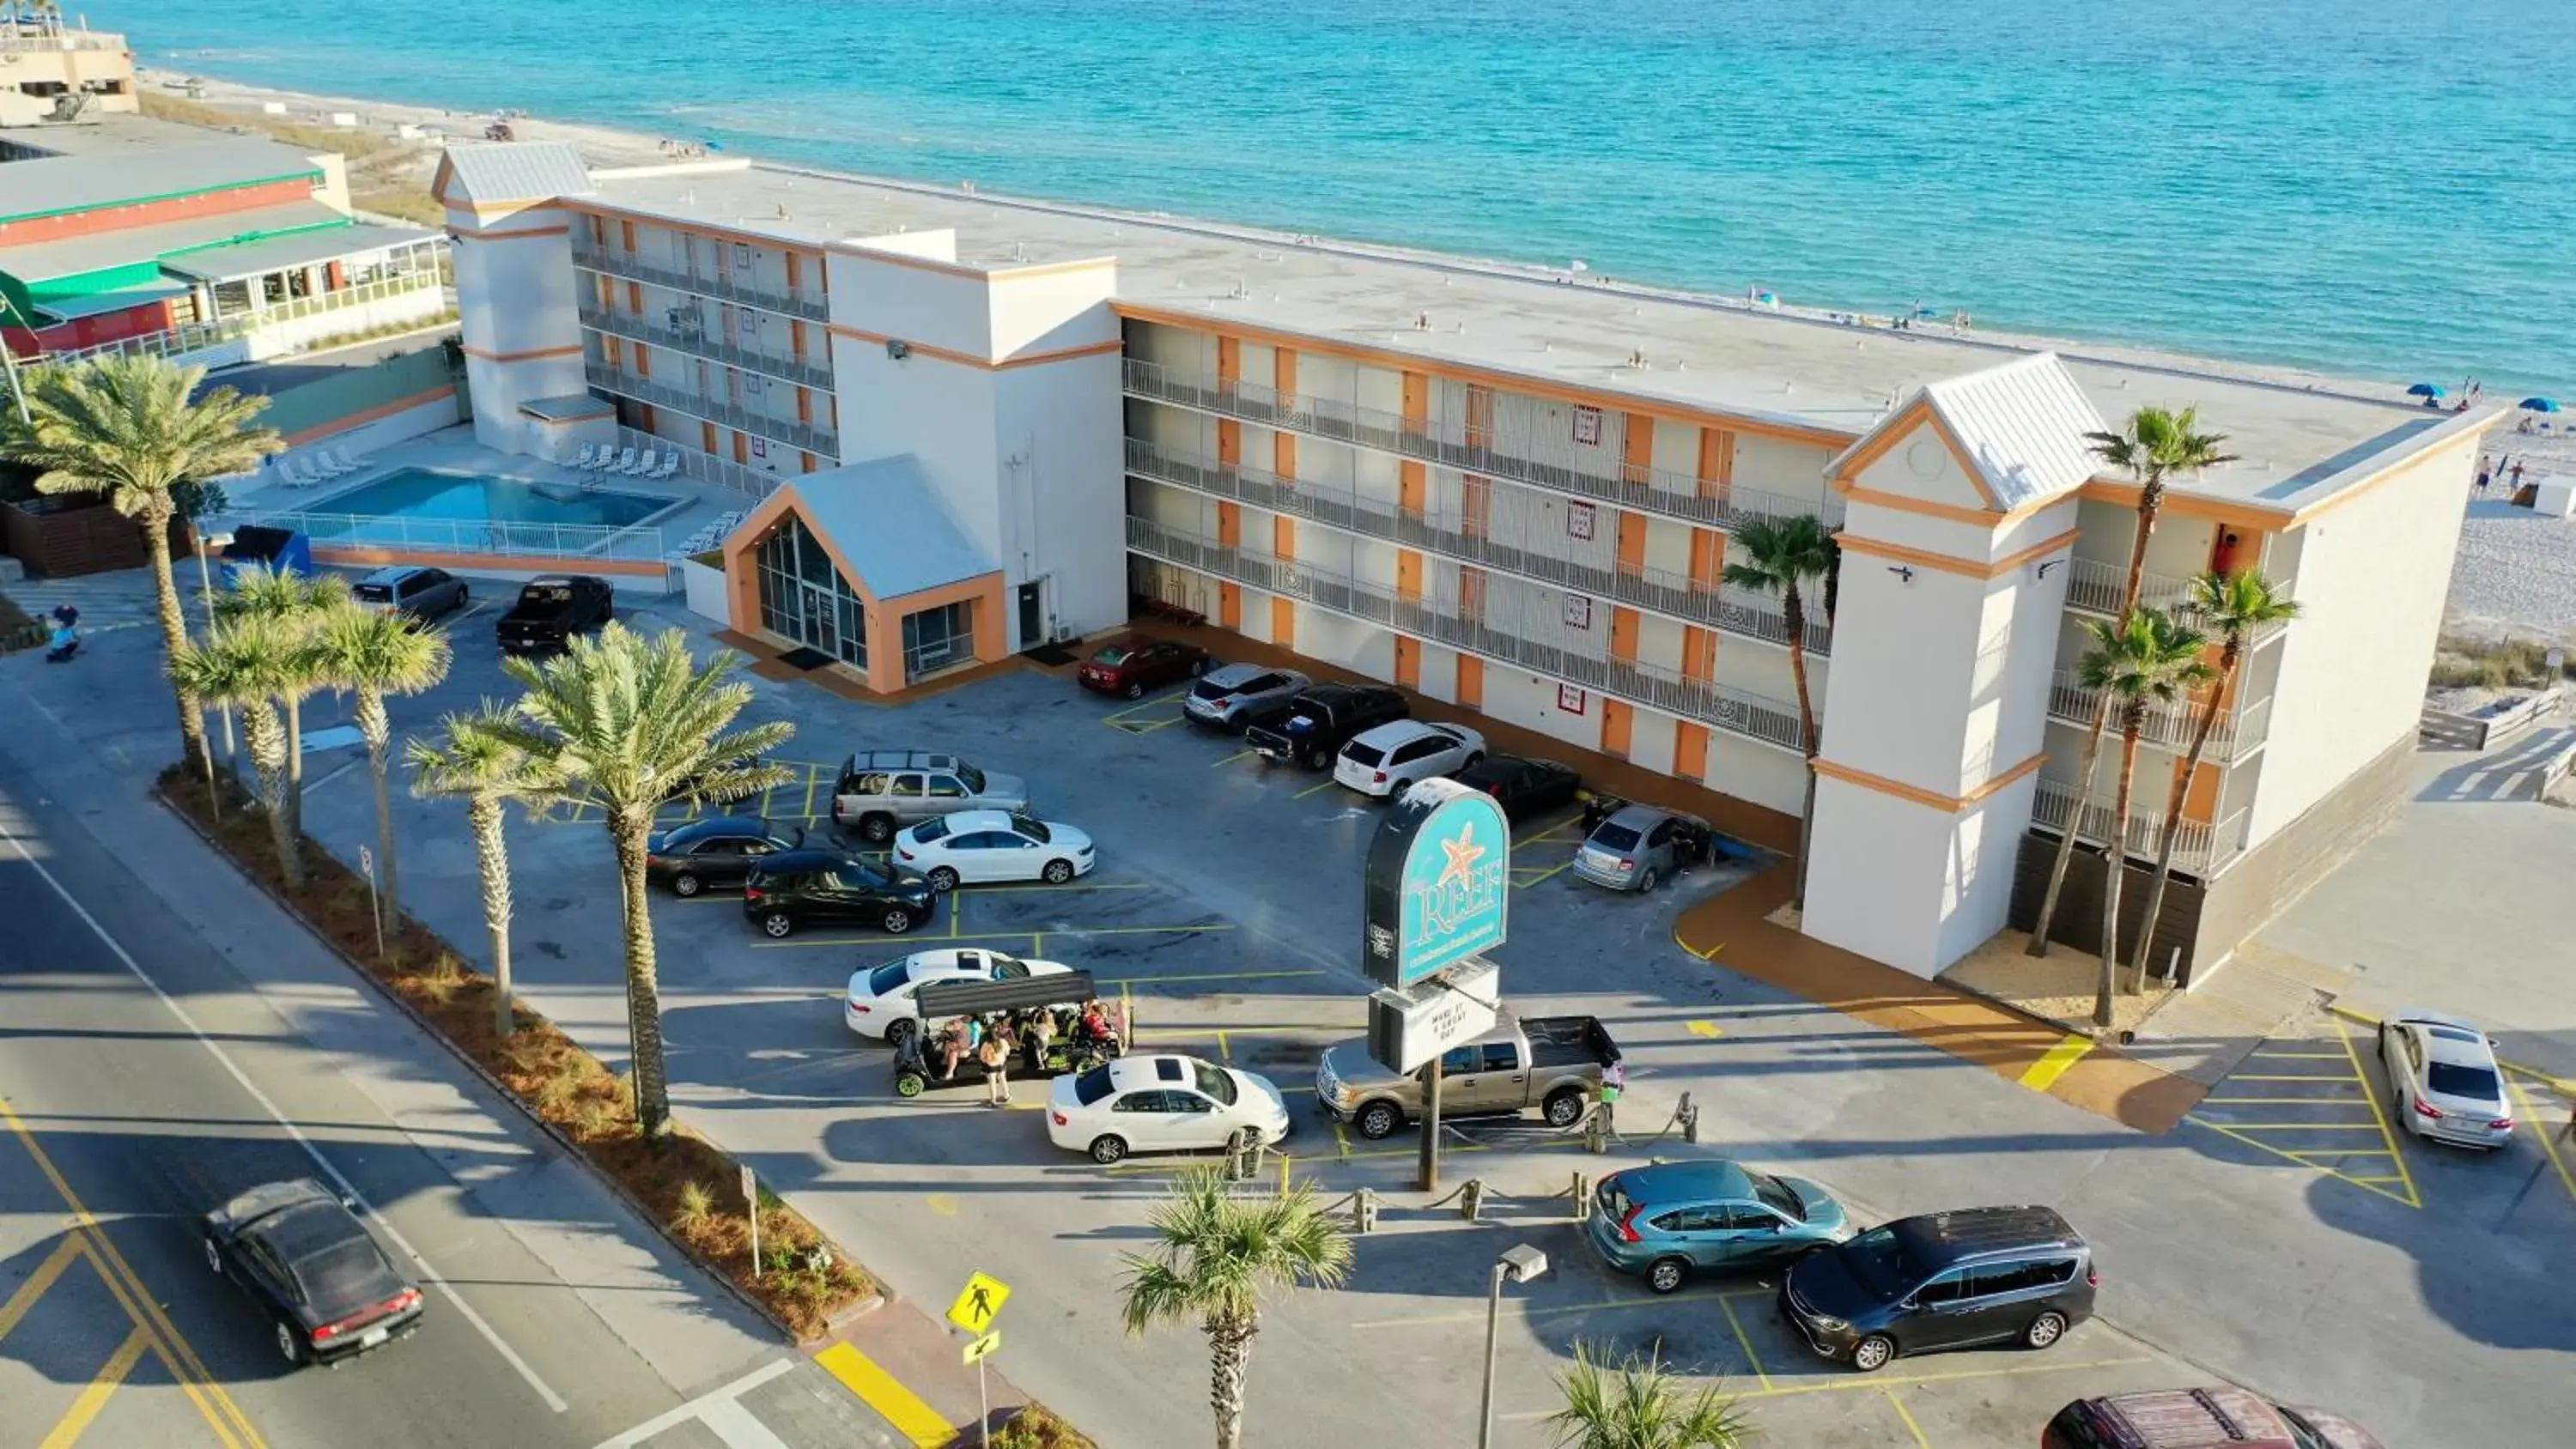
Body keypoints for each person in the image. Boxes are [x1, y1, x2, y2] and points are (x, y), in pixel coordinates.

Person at [976, 1028, 1012, 1106]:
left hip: (991, 1066)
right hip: (1001, 1064)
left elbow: (982, 1057)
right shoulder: (1003, 1041)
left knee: (992, 1083)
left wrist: (987, 1061)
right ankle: (1007, 1096)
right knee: (1003, 1079)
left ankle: (993, 1101)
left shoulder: (986, 1044)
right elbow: (1008, 1052)